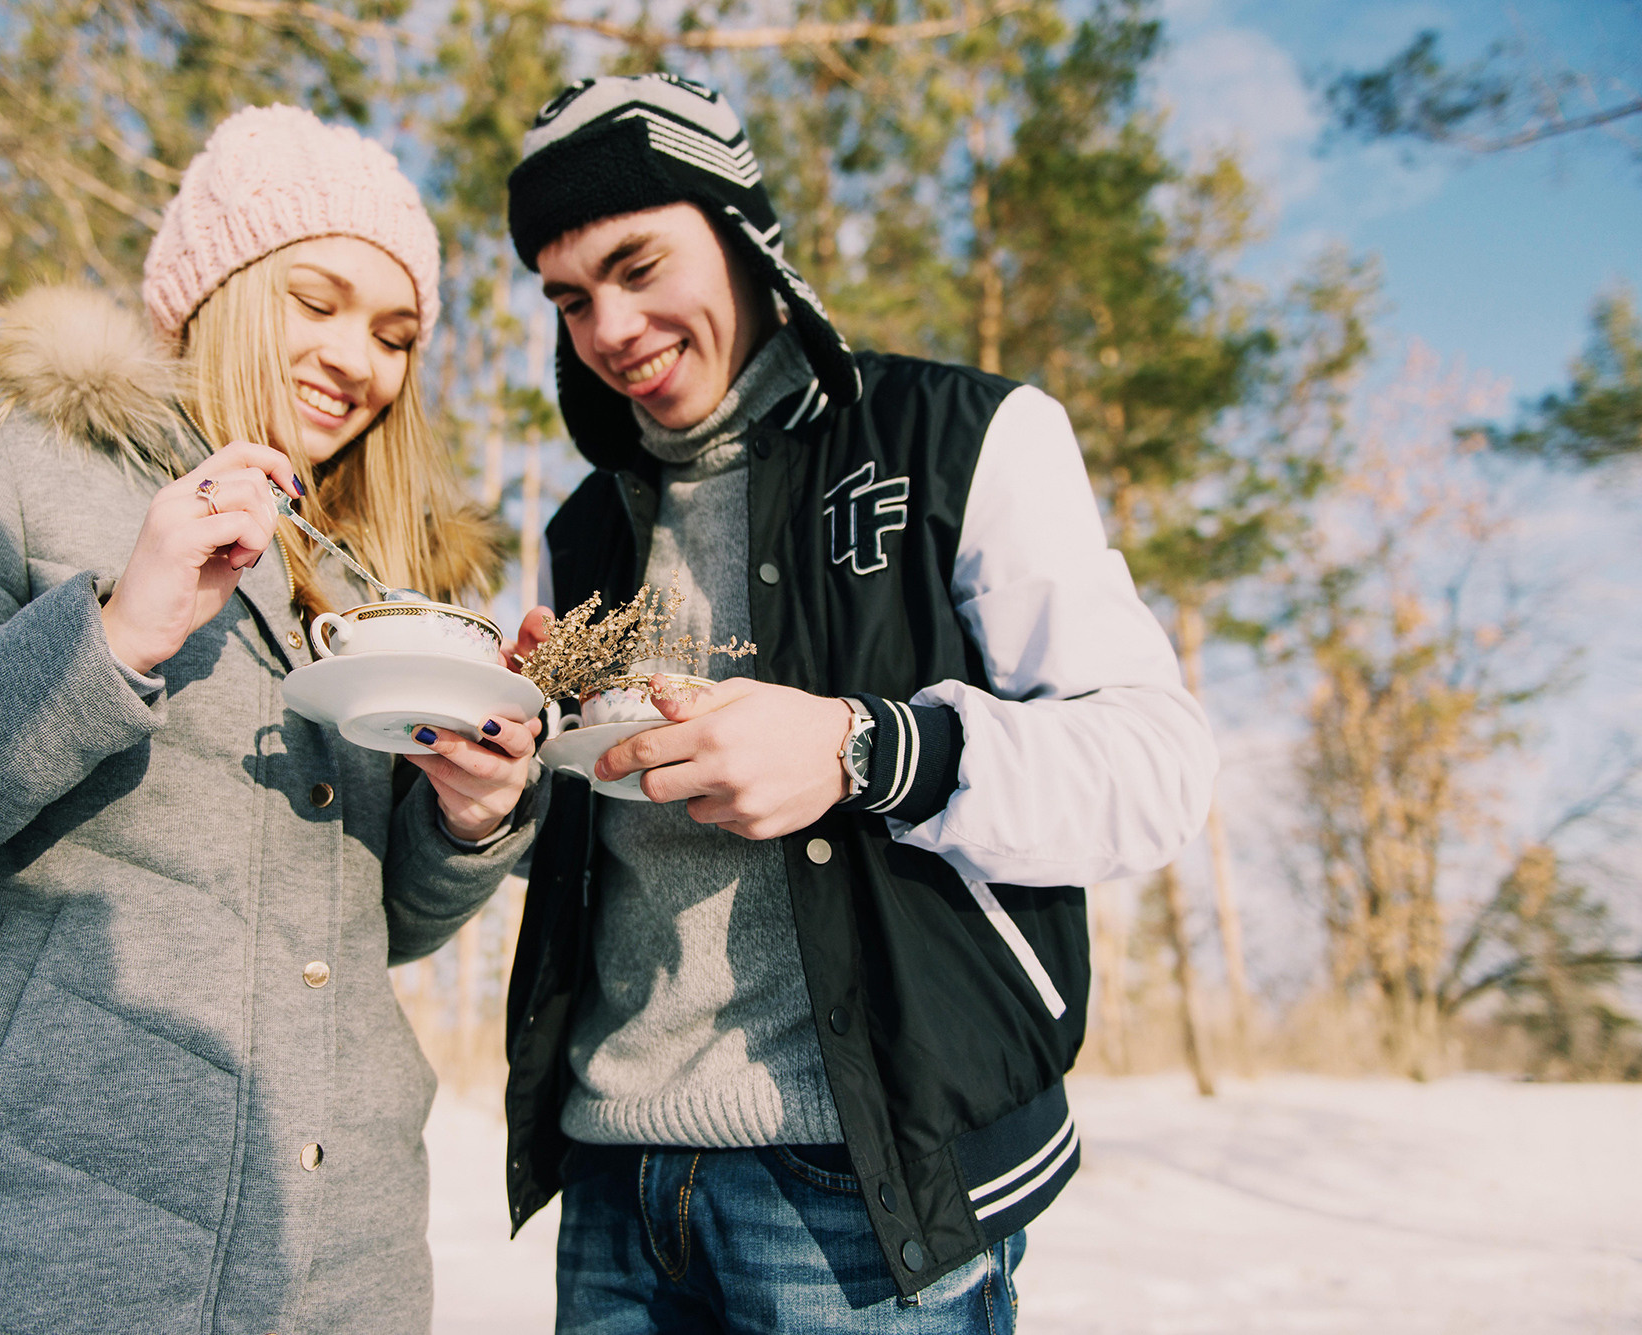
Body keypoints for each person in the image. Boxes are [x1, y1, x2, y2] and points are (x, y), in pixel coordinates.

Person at [0, 105, 544, 1334]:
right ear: (218, 288)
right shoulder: (22, 462)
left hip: (336, 1273)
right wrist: (106, 638)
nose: (357, 360)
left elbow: (367, 930)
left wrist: (469, 822)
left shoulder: (372, 583)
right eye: (315, 301)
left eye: (393, 334)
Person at [500, 74, 1218, 1331]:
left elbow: (1155, 770)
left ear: (741, 235)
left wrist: (864, 748)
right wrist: (507, 775)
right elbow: (589, 855)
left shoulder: (963, 436)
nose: (607, 328)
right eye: (567, 298)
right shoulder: (582, 533)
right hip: (615, 1184)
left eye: (636, 265)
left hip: (859, 1192)